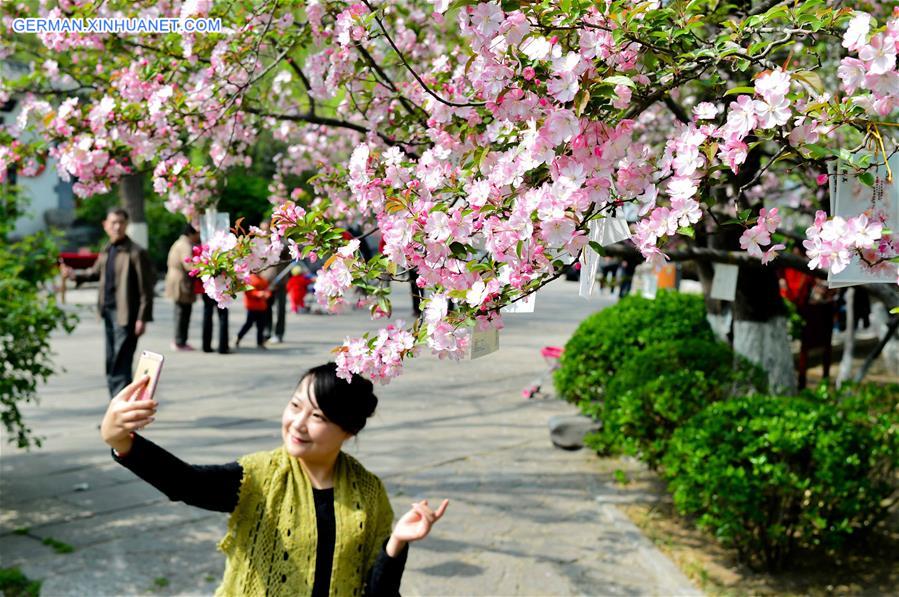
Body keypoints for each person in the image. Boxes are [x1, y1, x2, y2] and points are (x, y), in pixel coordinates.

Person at [100, 362, 448, 595]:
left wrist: (397, 543)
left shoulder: (369, 493)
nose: (297, 424)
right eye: (295, 406)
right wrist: (122, 442)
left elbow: (378, 592)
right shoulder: (259, 476)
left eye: (317, 416)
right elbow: (186, 483)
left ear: (349, 429)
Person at [61, 207, 155, 397]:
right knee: (111, 363)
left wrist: (142, 318)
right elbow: (95, 273)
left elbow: (147, 288)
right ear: (105, 225)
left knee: (121, 365)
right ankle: (116, 411)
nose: (117, 226)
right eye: (113, 222)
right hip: (108, 312)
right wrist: (74, 275)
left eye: (121, 222)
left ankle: (120, 416)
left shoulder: (136, 252)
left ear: (126, 225)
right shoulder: (108, 248)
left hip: (127, 315)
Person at [165, 224, 201, 351]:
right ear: (191, 233)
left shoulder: (180, 242)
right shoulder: (185, 245)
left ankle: (180, 340)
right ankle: (180, 341)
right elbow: (189, 265)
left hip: (176, 278)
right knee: (182, 312)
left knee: (181, 311)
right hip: (181, 281)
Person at [235, 272, 271, 349]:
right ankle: (238, 337)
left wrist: (267, 294)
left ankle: (260, 342)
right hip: (252, 307)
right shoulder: (249, 279)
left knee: (261, 325)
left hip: (262, 307)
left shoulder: (263, 280)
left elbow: (267, 289)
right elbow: (248, 292)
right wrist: (257, 294)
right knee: (248, 324)